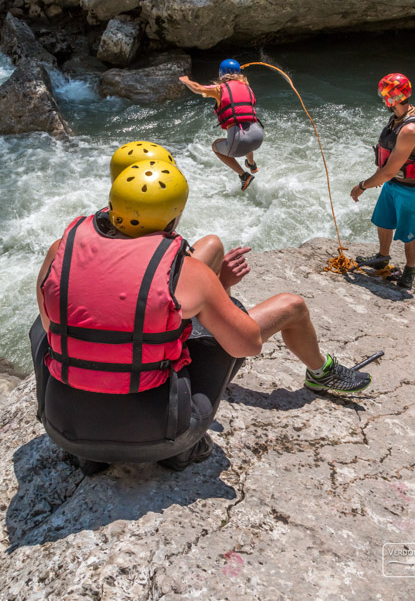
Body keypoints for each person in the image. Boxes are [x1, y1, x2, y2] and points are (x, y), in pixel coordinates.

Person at [32, 154, 372, 475]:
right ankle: (319, 373)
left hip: (64, 429)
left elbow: (53, 327)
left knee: (41, 330)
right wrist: (221, 286)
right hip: (160, 437)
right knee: (286, 307)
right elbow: (246, 345)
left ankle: (90, 454)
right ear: (174, 216)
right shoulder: (187, 271)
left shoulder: (62, 248)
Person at [350, 73, 415, 290]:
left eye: (384, 95)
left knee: (409, 234)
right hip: (396, 184)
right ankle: (382, 257)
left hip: (412, 190)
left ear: (392, 98)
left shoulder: (410, 129)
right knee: (383, 221)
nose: (382, 99)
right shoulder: (399, 117)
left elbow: (389, 171)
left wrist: (361, 186)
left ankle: (409, 270)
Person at [179, 59, 263, 191]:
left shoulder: (220, 89)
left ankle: (243, 175)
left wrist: (186, 80)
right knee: (245, 132)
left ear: (221, 74)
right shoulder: (247, 88)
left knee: (215, 146)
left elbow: (197, 88)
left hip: (240, 140)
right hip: (258, 137)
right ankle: (252, 165)